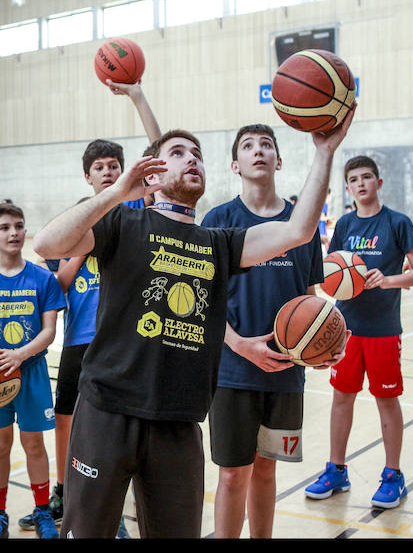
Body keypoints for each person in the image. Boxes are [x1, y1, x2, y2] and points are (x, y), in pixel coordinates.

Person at [32, 101, 356, 537]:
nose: (193, 160)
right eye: (180, 152)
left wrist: (324, 152)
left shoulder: (219, 243)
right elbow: (48, 244)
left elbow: (296, 230)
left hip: (179, 423)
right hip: (107, 411)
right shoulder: (124, 224)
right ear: (152, 173)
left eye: (198, 155)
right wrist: (114, 194)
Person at [200, 124, 344, 538]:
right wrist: (240, 345)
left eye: (266, 145)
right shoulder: (219, 220)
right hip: (231, 371)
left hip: (285, 373)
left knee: (265, 470)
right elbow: (202, 299)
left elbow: (311, 296)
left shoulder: (302, 223)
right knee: (231, 475)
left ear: (279, 161)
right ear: (235, 164)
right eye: (248, 146)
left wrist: (322, 343)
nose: (258, 151)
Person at [18, 138, 143, 537]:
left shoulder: (136, 213)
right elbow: (55, 284)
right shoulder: (77, 220)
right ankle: (63, 489)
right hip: (78, 340)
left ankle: (122, 502)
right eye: (100, 167)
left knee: (122, 423)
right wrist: (86, 247)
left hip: (123, 339)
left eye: (114, 165)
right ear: (87, 176)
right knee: (67, 420)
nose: (107, 172)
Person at [304, 155, 413, 509]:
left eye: (367, 177)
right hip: (346, 330)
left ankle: (393, 475)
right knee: (341, 398)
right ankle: (336, 470)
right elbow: (331, 272)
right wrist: (331, 288)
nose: (360, 184)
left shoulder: (397, 222)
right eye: (354, 180)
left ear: (378, 183)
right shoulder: (344, 224)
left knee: (386, 400)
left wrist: (389, 280)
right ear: (347, 188)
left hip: (384, 330)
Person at [0, 203, 67, 539]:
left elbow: (49, 332)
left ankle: (42, 512)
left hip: (30, 371)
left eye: (19, 226)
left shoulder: (42, 278)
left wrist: (20, 355)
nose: (14, 233)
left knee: (34, 445)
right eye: (5, 227)